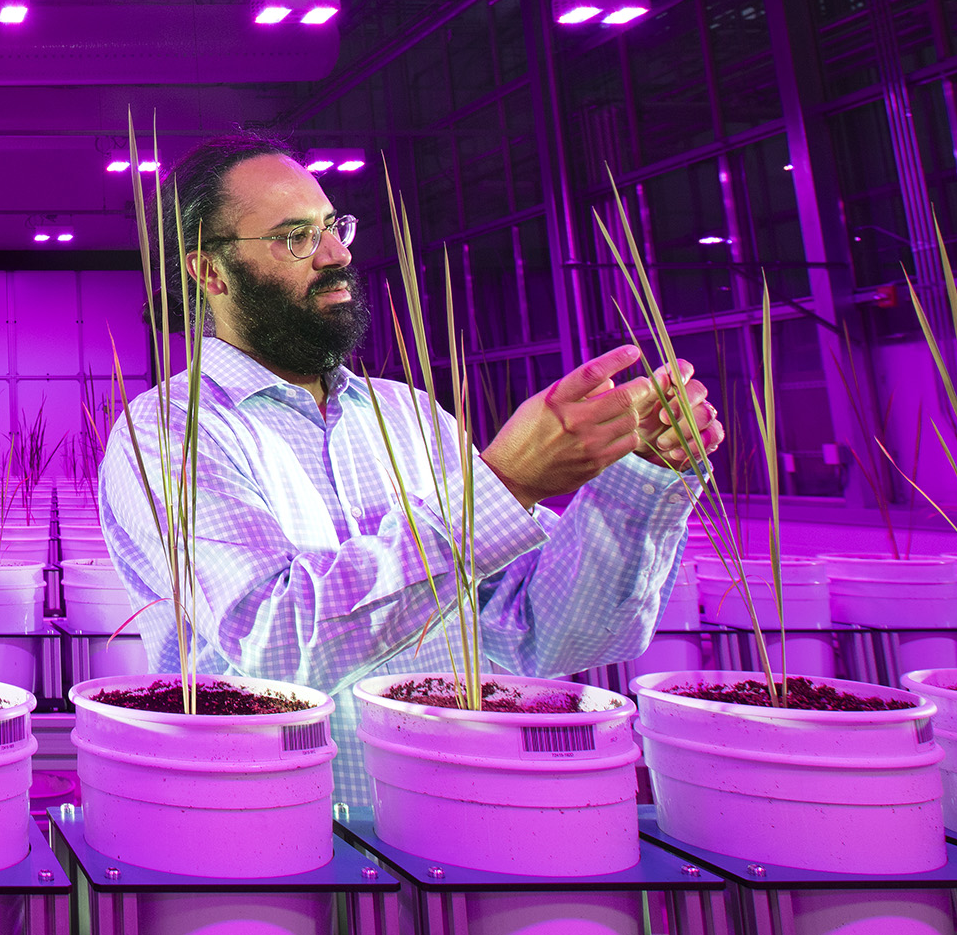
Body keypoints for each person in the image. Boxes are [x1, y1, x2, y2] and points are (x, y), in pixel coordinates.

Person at [95, 134, 718, 810]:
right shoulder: (167, 432)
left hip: (471, 808)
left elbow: (557, 637)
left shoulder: (411, 416)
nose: (336, 255)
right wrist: (503, 489)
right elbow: (277, 650)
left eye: (333, 226)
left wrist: (639, 481)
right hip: (284, 832)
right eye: (295, 236)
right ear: (210, 272)